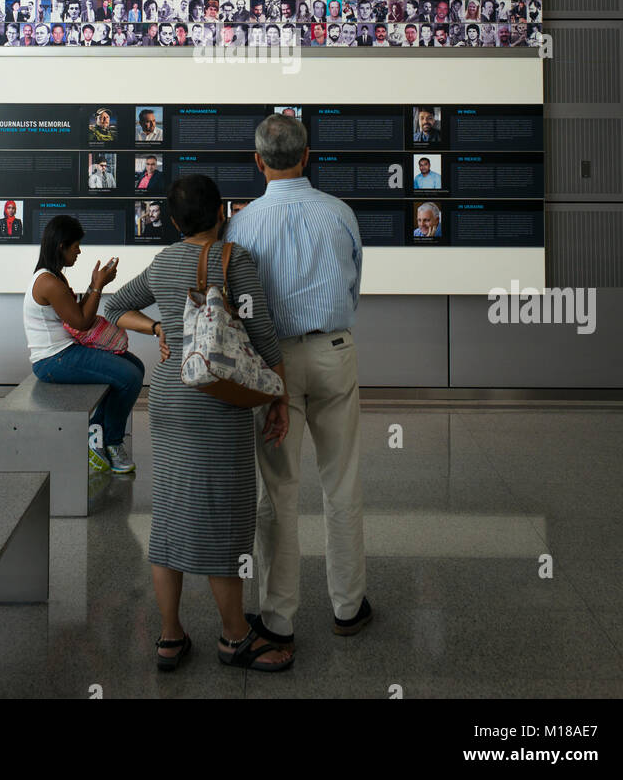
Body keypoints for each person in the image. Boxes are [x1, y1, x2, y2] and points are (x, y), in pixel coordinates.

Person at [102, 175, 294, 673]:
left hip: (168, 397)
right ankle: (234, 638)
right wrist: (279, 395)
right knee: (224, 518)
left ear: (172, 220)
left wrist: (161, 327)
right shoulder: (235, 261)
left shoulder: (164, 262)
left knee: (167, 516)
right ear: (223, 215)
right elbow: (263, 335)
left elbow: (112, 306)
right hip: (216, 401)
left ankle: (170, 636)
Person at [223, 114, 370, 648]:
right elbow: (353, 289)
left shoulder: (242, 225)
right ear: (308, 156)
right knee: (342, 480)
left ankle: (279, 617)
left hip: (270, 364)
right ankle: (348, 606)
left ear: (259, 161)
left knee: (279, 490)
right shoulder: (341, 214)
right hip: (335, 351)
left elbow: (238, 303)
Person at [24, 215, 163, 475]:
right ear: (61, 246)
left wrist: (94, 285)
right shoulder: (49, 283)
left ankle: (97, 431)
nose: (79, 251)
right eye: (75, 245)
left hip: (65, 352)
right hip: (53, 360)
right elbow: (83, 322)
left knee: (134, 366)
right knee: (129, 376)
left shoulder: (54, 278)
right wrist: (98, 286)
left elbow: (75, 313)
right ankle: (109, 441)